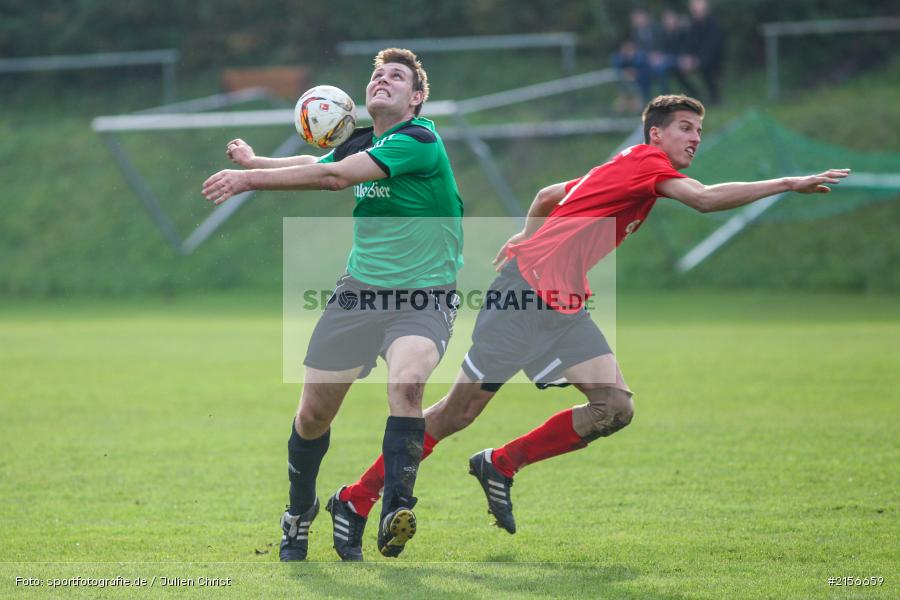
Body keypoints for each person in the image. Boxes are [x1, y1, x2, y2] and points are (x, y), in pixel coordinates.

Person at [323, 94, 850, 560]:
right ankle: (355, 499)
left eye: (698, 132)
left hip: (561, 303)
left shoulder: (627, 165)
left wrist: (524, 236)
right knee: (457, 413)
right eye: (685, 129)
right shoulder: (647, 163)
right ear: (655, 134)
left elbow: (549, 194)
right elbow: (705, 200)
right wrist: (787, 182)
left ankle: (500, 465)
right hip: (523, 297)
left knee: (614, 407)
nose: (694, 138)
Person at [202, 48, 465, 561]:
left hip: (424, 297)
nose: (381, 80)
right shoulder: (368, 139)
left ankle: (395, 509)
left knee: (407, 384)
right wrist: (259, 162)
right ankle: (299, 512)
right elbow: (318, 162)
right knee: (313, 416)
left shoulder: (418, 139)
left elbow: (333, 178)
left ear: (416, 97)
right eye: (376, 74)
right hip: (359, 293)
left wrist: (248, 181)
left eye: (396, 76)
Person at [677, 0, 726, 104]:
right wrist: (686, 57)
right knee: (678, 67)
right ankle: (694, 94)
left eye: (699, 9)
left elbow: (713, 47)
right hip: (697, 58)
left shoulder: (713, 24)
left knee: (705, 69)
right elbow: (688, 43)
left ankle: (714, 96)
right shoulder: (693, 25)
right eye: (694, 9)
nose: (696, 11)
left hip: (712, 59)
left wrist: (697, 60)